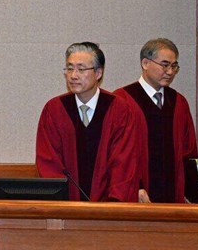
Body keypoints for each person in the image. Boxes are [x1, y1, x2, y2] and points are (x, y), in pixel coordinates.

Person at [35, 42, 139, 202]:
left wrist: (113, 206)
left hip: (108, 211)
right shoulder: (54, 110)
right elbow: (49, 162)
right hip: (66, 211)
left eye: (81, 69)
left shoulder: (119, 110)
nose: (73, 75)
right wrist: (62, 202)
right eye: (69, 68)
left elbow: (123, 163)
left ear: (98, 73)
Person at [114, 38, 198, 203]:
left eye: (174, 66)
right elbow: (117, 154)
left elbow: (189, 151)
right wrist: (134, 187)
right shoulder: (122, 100)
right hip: (137, 195)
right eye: (164, 65)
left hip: (174, 196)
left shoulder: (179, 102)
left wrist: (191, 193)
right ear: (145, 63)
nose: (170, 72)